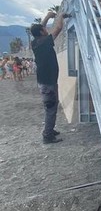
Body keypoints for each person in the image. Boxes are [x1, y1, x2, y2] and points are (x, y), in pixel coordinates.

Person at [31, 11, 64, 144]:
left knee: (51, 106)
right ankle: (47, 136)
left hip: (45, 81)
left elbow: (38, 29)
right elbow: (58, 29)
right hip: (48, 82)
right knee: (51, 108)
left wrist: (47, 17)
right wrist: (60, 16)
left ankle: (49, 129)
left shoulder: (35, 43)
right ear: (41, 32)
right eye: (44, 28)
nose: (46, 29)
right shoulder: (45, 41)